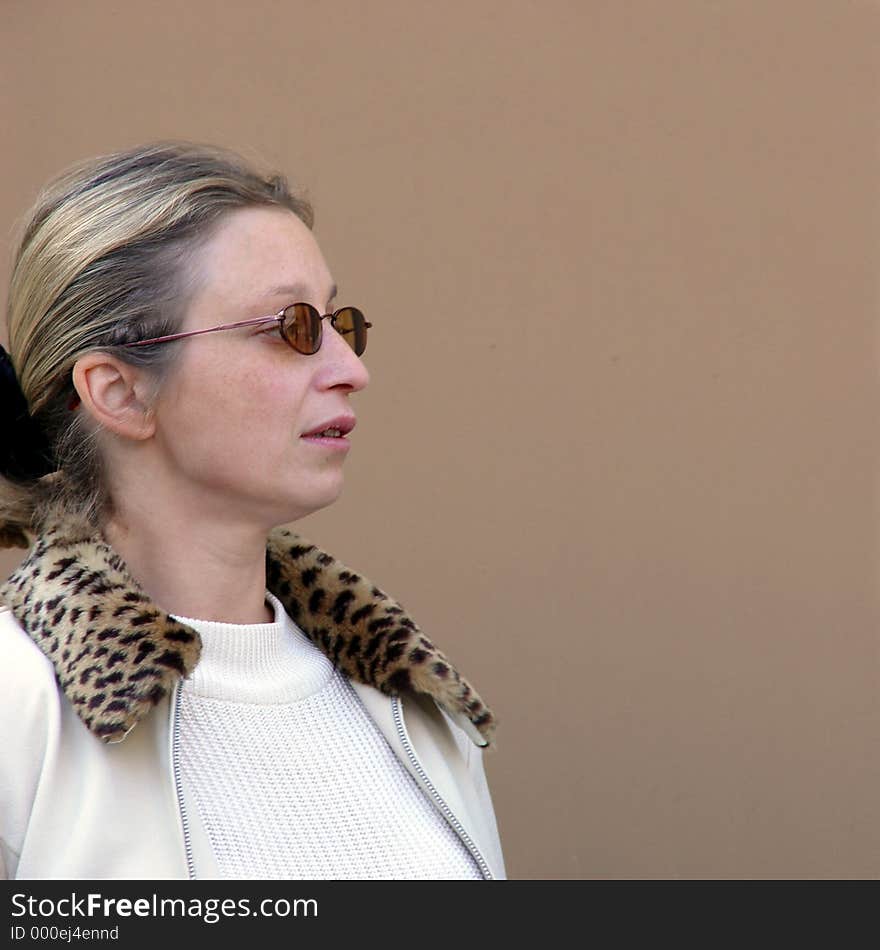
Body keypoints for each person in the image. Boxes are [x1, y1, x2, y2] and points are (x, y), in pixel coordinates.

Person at [0, 141, 505, 880]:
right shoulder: (17, 704)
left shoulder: (411, 702)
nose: (351, 370)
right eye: (291, 328)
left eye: (340, 324)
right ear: (118, 390)